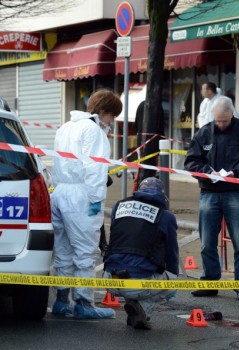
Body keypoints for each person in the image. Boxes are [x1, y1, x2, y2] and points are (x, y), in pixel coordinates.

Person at [184, 96, 239, 301]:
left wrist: (237, 173)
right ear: (213, 116)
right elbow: (191, 160)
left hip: (236, 192)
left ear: (232, 114)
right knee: (207, 242)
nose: (221, 124)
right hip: (209, 192)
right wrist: (205, 172)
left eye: (225, 120)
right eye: (218, 120)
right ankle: (210, 283)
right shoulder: (204, 133)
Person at [51, 89, 122, 319]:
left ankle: (62, 301)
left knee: (63, 250)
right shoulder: (94, 131)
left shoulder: (66, 127)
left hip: (60, 191)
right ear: (104, 112)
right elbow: (95, 169)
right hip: (81, 196)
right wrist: (95, 200)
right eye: (112, 116)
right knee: (85, 251)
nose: (112, 121)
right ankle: (83, 303)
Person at [103, 177, 179, 330]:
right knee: (173, 282)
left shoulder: (119, 206)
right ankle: (142, 308)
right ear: (162, 194)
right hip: (138, 283)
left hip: (109, 279)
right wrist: (172, 277)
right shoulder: (166, 216)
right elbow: (172, 253)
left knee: (130, 263)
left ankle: (134, 305)